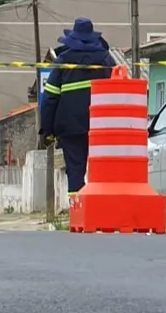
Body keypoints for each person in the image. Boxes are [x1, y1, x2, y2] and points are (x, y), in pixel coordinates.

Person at [40, 17, 116, 195]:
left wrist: (46, 131)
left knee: (75, 172)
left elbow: (50, 99)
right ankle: (100, 216)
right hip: (102, 128)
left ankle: (79, 217)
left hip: (71, 129)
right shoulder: (106, 60)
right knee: (102, 172)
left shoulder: (63, 62)